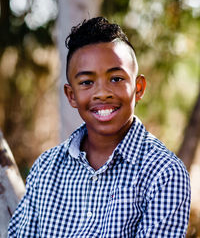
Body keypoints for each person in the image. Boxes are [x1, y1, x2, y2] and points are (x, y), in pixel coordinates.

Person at [8, 17, 191, 237]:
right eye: (86, 82)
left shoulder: (163, 173)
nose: (102, 92)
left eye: (116, 78)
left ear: (139, 88)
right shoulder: (46, 169)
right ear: (71, 95)